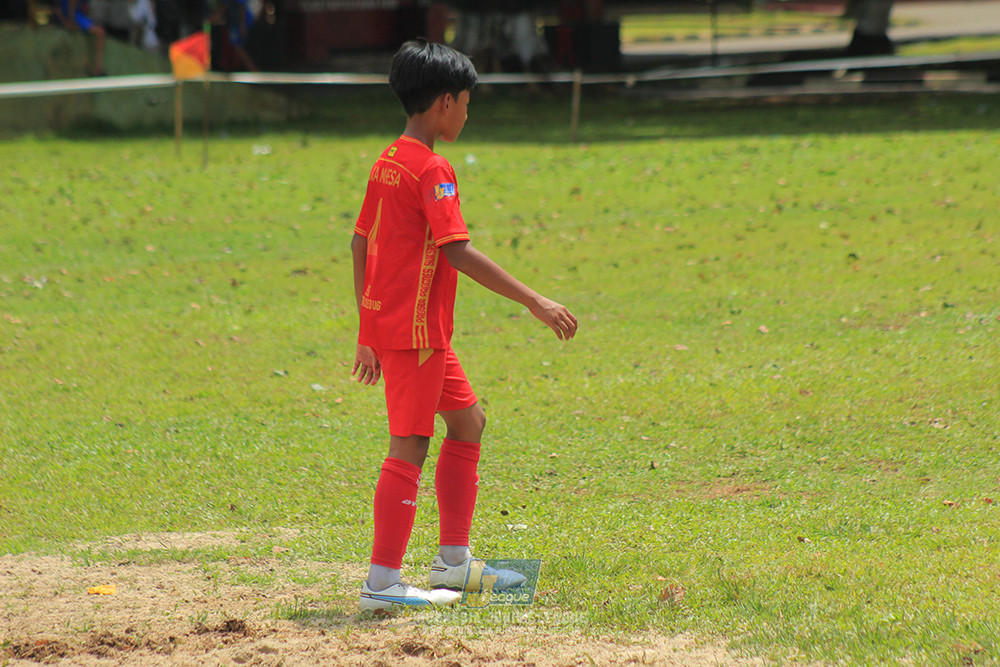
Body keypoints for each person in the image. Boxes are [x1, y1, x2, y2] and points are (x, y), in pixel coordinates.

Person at [352, 39, 578, 612]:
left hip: (410, 331)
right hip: (418, 333)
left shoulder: (387, 159)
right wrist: (535, 300)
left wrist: (367, 327)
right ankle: (382, 582)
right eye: (467, 102)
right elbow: (457, 250)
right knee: (410, 443)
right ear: (444, 103)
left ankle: (453, 562)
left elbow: (360, 240)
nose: (469, 113)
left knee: (468, 423)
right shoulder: (433, 168)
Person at [56, 0, 107, 76]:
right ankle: (98, 68)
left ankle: (96, 67)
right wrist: (70, 21)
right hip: (73, 15)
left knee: (99, 31)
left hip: (76, 15)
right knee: (100, 33)